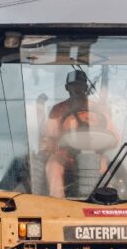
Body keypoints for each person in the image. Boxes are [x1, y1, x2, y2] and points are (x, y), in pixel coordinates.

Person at [39, 69, 119, 198]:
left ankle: (107, 202)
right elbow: (49, 138)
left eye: (81, 85)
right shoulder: (57, 110)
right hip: (66, 157)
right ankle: (57, 201)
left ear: (86, 87)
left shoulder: (98, 109)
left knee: (104, 168)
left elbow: (114, 137)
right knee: (53, 166)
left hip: (95, 156)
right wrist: (57, 145)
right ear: (67, 87)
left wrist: (99, 143)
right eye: (74, 85)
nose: (78, 88)